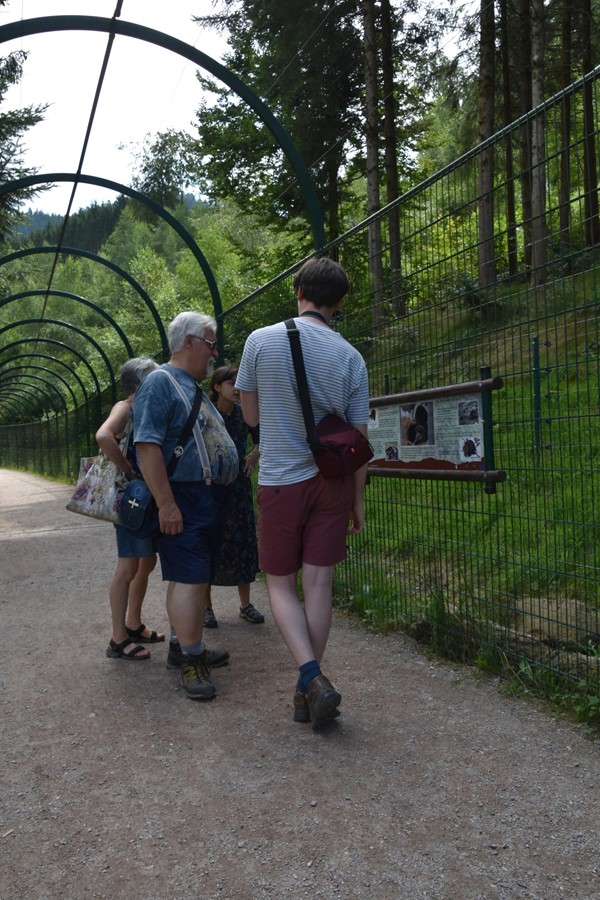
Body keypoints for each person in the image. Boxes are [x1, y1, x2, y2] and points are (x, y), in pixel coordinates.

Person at [236, 256, 370, 728]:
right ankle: (306, 689)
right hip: (331, 483)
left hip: (279, 481)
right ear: (338, 303)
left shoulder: (260, 340)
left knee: (278, 583)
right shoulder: (351, 356)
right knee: (319, 585)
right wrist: (357, 502)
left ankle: (311, 676)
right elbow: (356, 441)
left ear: (298, 291)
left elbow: (251, 419)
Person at [133, 311, 234, 700]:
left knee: (190, 574)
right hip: (184, 497)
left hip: (205, 496)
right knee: (191, 576)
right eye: (210, 343)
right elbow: (147, 445)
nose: (215, 351)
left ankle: (182, 644)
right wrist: (167, 504)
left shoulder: (189, 385)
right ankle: (192, 659)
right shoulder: (161, 382)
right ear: (189, 342)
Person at [96, 356, 164, 661]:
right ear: (137, 384)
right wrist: (127, 470)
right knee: (128, 565)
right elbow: (103, 436)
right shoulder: (125, 407)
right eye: (152, 378)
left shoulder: (147, 407)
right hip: (132, 499)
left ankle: (133, 623)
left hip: (145, 499)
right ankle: (117, 638)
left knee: (145, 561)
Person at [203, 366, 264, 629]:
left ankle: (245, 604)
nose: (237, 388)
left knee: (243, 541)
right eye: (231, 383)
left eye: (239, 382)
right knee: (208, 542)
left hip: (238, 486)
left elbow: (264, 437)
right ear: (217, 387)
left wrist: (252, 456)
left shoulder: (243, 414)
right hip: (212, 486)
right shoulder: (206, 414)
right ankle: (206, 608)